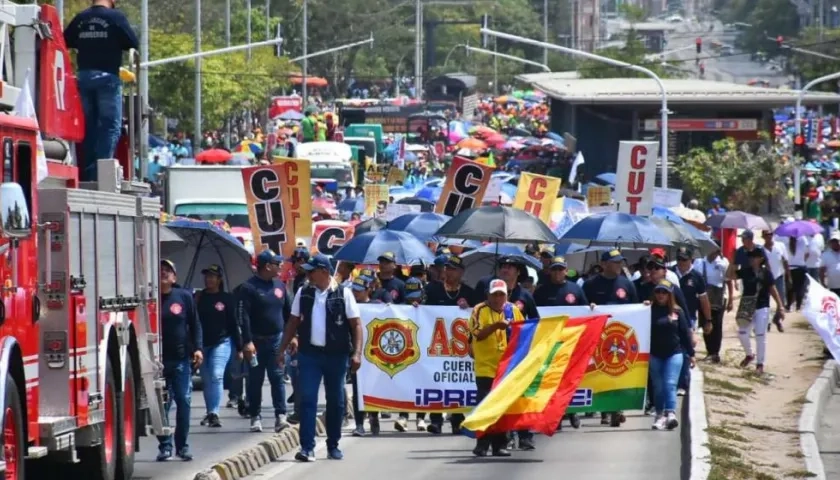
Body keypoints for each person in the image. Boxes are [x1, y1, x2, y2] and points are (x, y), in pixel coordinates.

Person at [279, 254, 363, 462]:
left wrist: (357, 353)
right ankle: (307, 447)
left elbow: (356, 325)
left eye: (311, 271)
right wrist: (280, 350)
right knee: (307, 399)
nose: (307, 274)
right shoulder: (303, 292)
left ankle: (333, 444)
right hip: (310, 354)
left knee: (336, 401)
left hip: (336, 355)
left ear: (324, 272)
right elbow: (293, 322)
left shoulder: (343, 294)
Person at [64, 0, 139, 182]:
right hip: (107, 78)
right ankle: (101, 173)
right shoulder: (115, 17)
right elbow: (132, 42)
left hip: (84, 78)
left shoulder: (81, 18)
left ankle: (88, 173)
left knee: (88, 127)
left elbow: (66, 39)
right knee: (110, 126)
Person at [237, 250, 293, 433]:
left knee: (277, 377)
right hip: (256, 341)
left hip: (277, 340)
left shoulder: (280, 286)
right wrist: (247, 342)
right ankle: (255, 416)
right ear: (267, 266)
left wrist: (292, 337)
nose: (280, 266)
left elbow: (289, 314)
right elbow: (243, 316)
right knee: (255, 380)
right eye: (277, 263)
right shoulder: (248, 288)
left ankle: (280, 415)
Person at [583, 250, 638, 427]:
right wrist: (589, 307)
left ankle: (617, 409)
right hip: (598, 336)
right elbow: (582, 308)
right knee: (601, 372)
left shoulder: (627, 284)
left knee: (618, 372)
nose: (619, 265)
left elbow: (636, 307)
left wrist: (644, 307)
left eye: (620, 262)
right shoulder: (590, 285)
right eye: (615, 262)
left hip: (620, 336)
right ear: (604, 264)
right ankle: (604, 409)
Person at [420, 254, 475, 434]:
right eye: (447, 268)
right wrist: (416, 306)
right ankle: (436, 421)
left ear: (461, 272)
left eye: (454, 269)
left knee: (456, 381)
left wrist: (469, 306)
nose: (449, 272)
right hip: (436, 345)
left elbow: (478, 312)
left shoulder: (469, 292)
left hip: (460, 347)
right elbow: (421, 308)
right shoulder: (432, 289)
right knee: (436, 380)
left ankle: (457, 419)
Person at [469, 279, 522, 457]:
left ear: (507, 295)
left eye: (501, 294)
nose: (498, 298)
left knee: (502, 407)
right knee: (485, 406)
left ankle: (500, 445)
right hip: (485, 367)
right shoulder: (479, 310)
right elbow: (478, 334)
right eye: (494, 294)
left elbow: (523, 332)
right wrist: (496, 326)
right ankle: (482, 444)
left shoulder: (513, 310)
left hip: (506, 368)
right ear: (488, 295)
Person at [157, 259, 203, 461]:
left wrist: (198, 348)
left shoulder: (184, 296)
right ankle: (165, 446)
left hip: (181, 360)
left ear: (174, 277)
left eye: (168, 270)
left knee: (183, 400)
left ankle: (182, 446)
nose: (163, 272)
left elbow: (195, 324)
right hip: (157, 362)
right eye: (160, 270)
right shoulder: (150, 299)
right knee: (162, 406)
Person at [196, 265, 241, 428]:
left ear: (219, 279)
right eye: (207, 276)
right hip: (202, 345)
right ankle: (210, 412)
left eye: (212, 276)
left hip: (222, 343)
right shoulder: (198, 298)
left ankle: (215, 412)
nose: (209, 279)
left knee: (216, 375)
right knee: (207, 380)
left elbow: (233, 323)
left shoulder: (227, 298)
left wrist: (239, 347)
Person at [648, 280, 695, 431]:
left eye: (664, 292)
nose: (661, 295)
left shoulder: (677, 311)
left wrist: (691, 354)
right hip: (654, 354)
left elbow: (684, 333)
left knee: (670, 383)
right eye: (658, 292)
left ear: (670, 295)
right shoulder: (649, 310)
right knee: (658, 386)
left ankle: (671, 413)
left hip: (674, 353)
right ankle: (659, 415)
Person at [735, 249, 785, 374]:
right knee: (742, 333)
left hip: (762, 307)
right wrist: (732, 262)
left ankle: (760, 363)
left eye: (754, 257)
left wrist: (780, 306)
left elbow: (773, 290)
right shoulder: (746, 271)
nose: (751, 259)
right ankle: (749, 354)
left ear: (760, 259)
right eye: (750, 257)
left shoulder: (766, 273)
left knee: (760, 335)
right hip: (747, 307)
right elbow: (729, 276)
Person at [672, 248, 711, 395]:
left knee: (685, 350)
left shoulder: (697, 277)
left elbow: (704, 299)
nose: (681, 262)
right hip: (671, 317)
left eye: (684, 259)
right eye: (679, 259)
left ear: (691, 260)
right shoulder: (670, 273)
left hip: (689, 318)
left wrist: (708, 320)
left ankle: (682, 383)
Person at [349, 276, 382, 437]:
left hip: (374, 353)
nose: (356, 293)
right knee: (357, 390)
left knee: (372, 387)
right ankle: (359, 424)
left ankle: (374, 416)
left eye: (359, 290)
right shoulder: (350, 305)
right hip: (356, 351)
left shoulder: (377, 306)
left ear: (368, 290)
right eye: (354, 290)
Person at [693, 244, 732, 363]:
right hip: (704, 298)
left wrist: (731, 299)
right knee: (705, 323)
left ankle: (715, 353)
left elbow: (729, 281)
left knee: (717, 325)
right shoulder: (700, 262)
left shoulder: (723, 262)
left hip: (719, 298)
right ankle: (709, 351)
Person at [761, 230, 789, 332]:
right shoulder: (761, 249)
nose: (769, 236)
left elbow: (785, 261)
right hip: (766, 278)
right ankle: (767, 322)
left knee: (781, 300)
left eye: (770, 234)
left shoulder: (780, 246)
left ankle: (777, 319)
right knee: (766, 301)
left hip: (779, 276)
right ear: (763, 237)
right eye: (766, 235)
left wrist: (788, 276)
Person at [785, 234, 809, 311]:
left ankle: (789, 305)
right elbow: (807, 253)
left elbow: (785, 258)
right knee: (800, 288)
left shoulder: (786, 243)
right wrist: (802, 261)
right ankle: (798, 306)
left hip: (790, 267)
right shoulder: (803, 240)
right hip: (801, 267)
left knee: (790, 288)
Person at [820, 231, 840, 296]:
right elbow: (822, 270)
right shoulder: (825, 255)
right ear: (830, 243)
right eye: (833, 242)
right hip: (833, 285)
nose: (836, 243)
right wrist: (822, 282)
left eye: (837, 241)